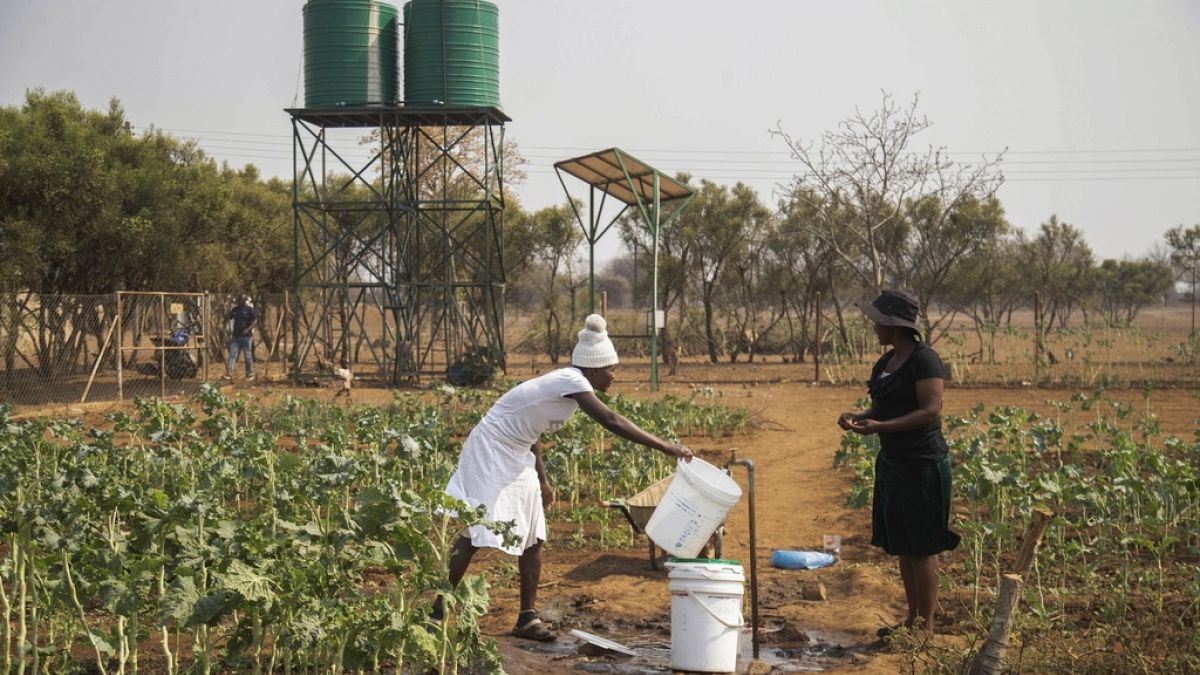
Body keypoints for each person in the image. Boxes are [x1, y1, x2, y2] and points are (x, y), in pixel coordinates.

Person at [432, 314, 694, 642]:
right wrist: (666, 447)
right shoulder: (572, 381)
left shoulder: (567, 386)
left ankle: (527, 618)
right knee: (475, 530)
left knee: (533, 531)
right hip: (490, 448)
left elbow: (534, 429)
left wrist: (541, 479)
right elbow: (611, 420)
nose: (614, 376)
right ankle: (437, 611)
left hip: (516, 450)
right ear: (595, 369)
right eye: (611, 369)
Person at [836, 289, 960, 638]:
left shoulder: (925, 360)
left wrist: (880, 427)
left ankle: (926, 628)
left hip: (923, 464)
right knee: (905, 547)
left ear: (893, 325)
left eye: (878, 321)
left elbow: (930, 410)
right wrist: (860, 418)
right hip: (894, 463)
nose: (874, 326)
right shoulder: (884, 364)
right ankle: (912, 620)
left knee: (922, 549)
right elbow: (882, 407)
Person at [224, 295, 257, 381]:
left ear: (245, 300)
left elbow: (255, 320)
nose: (241, 301)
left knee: (247, 355)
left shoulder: (249, 310)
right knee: (232, 354)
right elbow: (228, 317)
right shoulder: (235, 310)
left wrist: (248, 329)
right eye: (239, 300)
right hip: (236, 336)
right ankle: (229, 373)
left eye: (242, 300)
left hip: (247, 337)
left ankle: (249, 374)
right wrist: (227, 306)